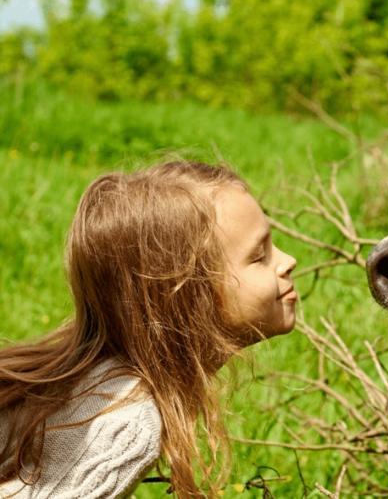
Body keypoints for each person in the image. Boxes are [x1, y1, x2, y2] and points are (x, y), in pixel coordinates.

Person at [0, 161, 297, 498]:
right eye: (259, 257)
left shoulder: (110, 384)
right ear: (189, 297)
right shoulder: (128, 424)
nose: (288, 261)